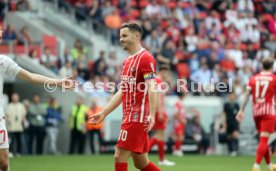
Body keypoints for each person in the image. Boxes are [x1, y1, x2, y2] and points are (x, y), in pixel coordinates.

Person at [0, 26, 78, 171]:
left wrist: (58, 82)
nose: (1, 31)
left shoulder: (3, 61)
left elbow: (31, 77)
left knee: (4, 163)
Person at [89, 22, 161, 171]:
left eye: (124, 36)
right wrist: (104, 112)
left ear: (136, 36)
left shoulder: (146, 58)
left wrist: (152, 114)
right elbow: (123, 90)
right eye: (120, 36)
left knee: (119, 155)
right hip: (128, 116)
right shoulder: (127, 61)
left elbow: (152, 87)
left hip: (137, 117)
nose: (121, 39)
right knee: (141, 163)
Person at [236, 57, 276, 171]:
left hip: (257, 112)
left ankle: (269, 166)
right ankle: (256, 166)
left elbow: (246, 95)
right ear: (272, 67)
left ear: (262, 66)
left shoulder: (253, 78)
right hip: (268, 112)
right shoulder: (274, 79)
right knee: (264, 140)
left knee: (264, 140)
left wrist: (241, 110)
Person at [149, 67, 175, 166]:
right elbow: (158, 96)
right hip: (158, 111)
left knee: (160, 136)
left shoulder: (157, 80)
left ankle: (161, 158)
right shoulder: (158, 80)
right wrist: (160, 111)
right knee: (160, 135)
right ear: (162, 71)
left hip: (156, 110)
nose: (167, 75)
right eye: (167, 73)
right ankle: (143, 153)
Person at [223, 92, 240, 156]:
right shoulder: (226, 105)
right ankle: (230, 150)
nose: (232, 96)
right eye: (231, 95)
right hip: (228, 123)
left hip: (235, 122)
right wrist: (224, 123)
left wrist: (239, 123)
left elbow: (239, 115)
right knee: (228, 137)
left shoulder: (236, 105)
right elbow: (224, 114)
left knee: (235, 136)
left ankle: (235, 150)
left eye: (233, 95)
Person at [173, 91, 186, 157]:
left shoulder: (181, 103)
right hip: (178, 123)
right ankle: (177, 150)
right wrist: (181, 120)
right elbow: (176, 114)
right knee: (179, 136)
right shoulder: (178, 104)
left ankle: (177, 149)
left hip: (181, 122)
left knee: (180, 137)